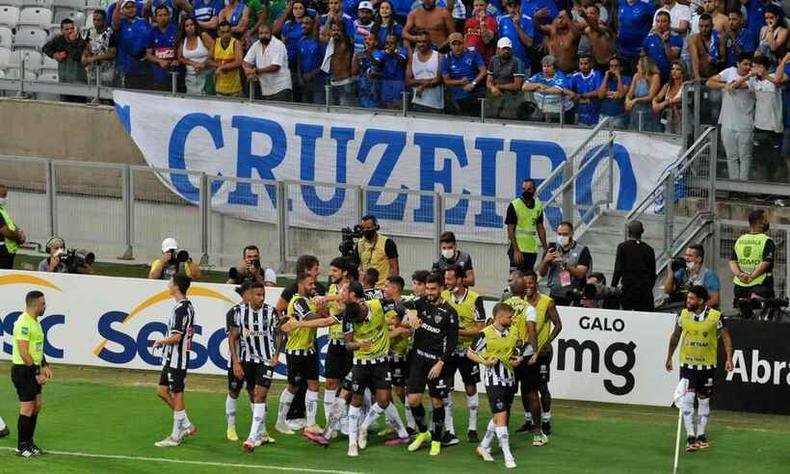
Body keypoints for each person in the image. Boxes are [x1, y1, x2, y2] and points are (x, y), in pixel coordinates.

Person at [665, 286, 733, 452]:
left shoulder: (716, 316)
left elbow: (726, 337)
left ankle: (701, 435)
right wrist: (669, 356)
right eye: (688, 298)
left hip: (707, 366)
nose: (688, 301)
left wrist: (729, 358)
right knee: (688, 400)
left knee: (704, 400)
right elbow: (676, 336)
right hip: (687, 365)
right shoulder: (683, 315)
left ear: (701, 301)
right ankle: (690, 436)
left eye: (691, 298)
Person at [402, 273, 459, 457]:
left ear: (441, 289)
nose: (429, 292)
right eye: (427, 288)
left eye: (433, 289)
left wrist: (441, 363)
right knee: (413, 400)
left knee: (437, 402)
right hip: (418, 360)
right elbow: (398, 304)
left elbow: (452, 343)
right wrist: (409, 312)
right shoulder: (420, 303)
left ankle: (436, 440)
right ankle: (423, 432)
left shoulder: (450, 312)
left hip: (437, 364)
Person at [228, 282, 281, 452]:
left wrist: (276, 355)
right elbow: (232, 337)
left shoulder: (271, 312)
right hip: (247, 359)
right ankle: (262, 433)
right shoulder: (239, 312)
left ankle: (252, 438)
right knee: (252, 393)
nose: (261, 298)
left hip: (266, 360)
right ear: (250, 295)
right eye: (258, 295)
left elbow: (279, 334)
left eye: (263, 294)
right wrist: (236, 362)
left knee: (260, 394)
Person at [468, 302, 521, 469]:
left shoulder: (513, 331)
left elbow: (516, 349)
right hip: (493, 380)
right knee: (502, 415)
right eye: (509, 317)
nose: (512, 319)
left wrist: (518, 358)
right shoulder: (485, 334)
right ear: (500, 316)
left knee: (500, 415)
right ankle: (507, 454)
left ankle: (483, 446)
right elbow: (470, 353)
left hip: (510, 378)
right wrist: (485, 362)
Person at [440, 265, 486, 445]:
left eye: (449, 279)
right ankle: (449, 430)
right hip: (448, 351)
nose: (446, 282)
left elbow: (481, 328)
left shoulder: (475, 299)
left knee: (470, 387)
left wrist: (456, 331)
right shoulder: (443, 296)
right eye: (446, 279)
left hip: (468, 351)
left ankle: (472, 428)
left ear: (459, 280)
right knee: (446, 388)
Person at [276, 272, 325, 435]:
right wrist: (323, 314)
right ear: (301, 284)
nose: (313, 287)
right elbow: (310, 318)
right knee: (293, 386)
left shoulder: (308, 301)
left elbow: (319, 316)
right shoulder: (297, 301)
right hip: (296, 351)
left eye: (314, 284)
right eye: (310, 284)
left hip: (309, 350)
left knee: (314, 385)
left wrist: (322, 310)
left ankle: (311, 423)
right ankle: (280, 421)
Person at [152, 274, 198, 447]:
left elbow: (177, 337)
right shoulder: (183, 306)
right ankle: (186, 424)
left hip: (178, 359)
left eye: (170, 282)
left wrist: (160, 341)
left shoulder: (182, 309)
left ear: (176, 286)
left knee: (177, 394)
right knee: (162, 391)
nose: (168, 284)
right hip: (171, 358)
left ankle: (175, 436)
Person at [516, 271, 561, 440]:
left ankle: (546, 420)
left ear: (536, 284)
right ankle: (529, 420)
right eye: (525, 283)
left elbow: (558, 325)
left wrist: (547, 342)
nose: (527, 286)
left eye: (530, 283)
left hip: (542, 353)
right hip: (526, 353)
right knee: (525, 387)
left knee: (542, 387)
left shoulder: (547, 302)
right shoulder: (520, 303)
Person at [11, 291, 53, 458]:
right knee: (27, 408)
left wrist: (44, 364)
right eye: (43, 304)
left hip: (32, 368)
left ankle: (29, 443)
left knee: (37, 406)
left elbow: (36, 348)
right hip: (23, 371)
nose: (45, 306)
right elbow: (23, 352)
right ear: (35, 305)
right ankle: (21, 446)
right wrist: (36, 372)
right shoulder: (23, 323)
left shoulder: (36, 322)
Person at [705, 53, 755, 181]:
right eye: (745, 64)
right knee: (731, 157)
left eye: (750, 65)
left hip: (745, 124)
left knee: (745, 157)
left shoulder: (753, 79)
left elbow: (734, 86)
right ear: (738, 64)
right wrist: (723, 85)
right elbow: (709, 82)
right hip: (727, 123)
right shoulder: (729, 71)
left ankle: (743, 186)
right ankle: (734, 185)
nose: (747, 67)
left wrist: (748, 76)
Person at [538, 221, 591, 306]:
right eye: (559, 234)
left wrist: (564, 264)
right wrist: (545, 261)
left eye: (565, 234)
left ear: (572, 233)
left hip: (573, 294)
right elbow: (542, 273)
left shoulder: (582, 250)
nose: (562, 237)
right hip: (554, 292)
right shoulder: (552, 247)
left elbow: (581, 274)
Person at [224, 282, 252, 442]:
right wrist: (236, 362)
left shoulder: (263, 311)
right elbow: (232, 338)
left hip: (255, 361)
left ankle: (260, 430)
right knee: (234, 391)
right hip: (239, 359)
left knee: (256, 393)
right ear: (245, 293)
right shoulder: (234, 312)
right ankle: (231, 427)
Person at [728, 209, 775, 302]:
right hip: (760, 286)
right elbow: (766, 262)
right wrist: (751, 277)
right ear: (761, 223)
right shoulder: (766, 240)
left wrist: (740, 274)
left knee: (743, 310)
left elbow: (732, 261)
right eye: (766, 220)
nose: (767, 222)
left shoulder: (740, 239)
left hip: (740, 287)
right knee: (765, 309)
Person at [748, 54, 783, 176]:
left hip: (774, 126)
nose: (754, 69)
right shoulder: (754, 81)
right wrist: (749, 75)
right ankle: (761, 182)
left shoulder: (773, 77)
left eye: (757, 66)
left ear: (763, 67)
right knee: (760, 158)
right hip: (759, 125)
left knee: (775, 159)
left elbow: (778, 81)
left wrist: (765, 75)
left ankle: (775, 183)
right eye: (753, 66)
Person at [505, 178, 547, 274]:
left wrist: (545, 247)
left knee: (528, 278)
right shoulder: (515, 205)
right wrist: (516, 250)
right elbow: (510, 230)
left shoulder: (538, 206)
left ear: (534, 190)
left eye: (529, 189)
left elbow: (540, 228)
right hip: (517, 249)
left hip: (531, 249)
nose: (526, 192)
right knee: (516, 278)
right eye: (524, 189)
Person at [612, 220, 656, 311]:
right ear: (642, 231)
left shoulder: (623, 247)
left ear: (628, 232)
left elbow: (618, 269)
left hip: (629, 290)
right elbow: (653, 273)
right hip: (645, 292)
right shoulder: (649, 249)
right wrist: (648, 288)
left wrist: (613, 286)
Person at [243, 23, 293, 100]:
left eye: (266, 33)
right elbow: (246, 62)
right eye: (261, 33)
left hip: (281, 88)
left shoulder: (278, 44)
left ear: (271, 33)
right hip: (265, 89)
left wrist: (256, 71)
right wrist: (248, 71)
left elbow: (275, 67)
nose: (264, 36)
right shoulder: (256, 45)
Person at [442, 32, 487, 116]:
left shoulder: (473, 53)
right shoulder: (446, 58)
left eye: (459, 44)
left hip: (474, 94)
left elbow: (483, 71)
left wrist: (473, 83)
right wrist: (460, 82)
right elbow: (446, 80)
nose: (457, 47)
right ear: (450, 45)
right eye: (454, 44)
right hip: (457, 96)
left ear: (464, 43)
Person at [663, 244, 721, 308]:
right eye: (686, 255)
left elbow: (715, 300)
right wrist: (670, 274)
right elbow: (667, 290)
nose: (686, 258)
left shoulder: (709, 276)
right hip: (679, 307)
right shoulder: (682, 272)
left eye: (690, 256)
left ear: (699, 259)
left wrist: (697, 310)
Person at [522, 54, 575, 124]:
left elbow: (558, 90)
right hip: (547, 111)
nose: (546, 69)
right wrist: (538, 84)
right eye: (544, 66)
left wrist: (541, 89)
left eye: (549, 66)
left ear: (554, 68)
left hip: (564, 112)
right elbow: (524, 87)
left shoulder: (560, 75)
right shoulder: (538, 76)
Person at [112, 0, 151, 89]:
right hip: (127, 69)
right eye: (127, 7)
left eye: (133, 6)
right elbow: (115, 22)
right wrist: (118, 6)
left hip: (145, 69)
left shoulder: (143, 22)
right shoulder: (121, 24)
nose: (131, 9)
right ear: (122, 10)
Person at [485, 36, 526, 119]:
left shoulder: (517, 62)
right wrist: (492, 88)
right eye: (504, 49)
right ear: (498, 49)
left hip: (513, 96)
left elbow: (517, 85)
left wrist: (498, 86)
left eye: (508, 49)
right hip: (496, 94)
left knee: (508, 118)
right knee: (490, 117)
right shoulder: (493, 60)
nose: (506, 51)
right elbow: (488, 81)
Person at [354, 215, 399, 287]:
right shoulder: (359, 244)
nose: (366, 230)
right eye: (363, 228)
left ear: (376, 227)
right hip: (365, 287)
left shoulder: (387, 243)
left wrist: (391, 286)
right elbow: (355, 266)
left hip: (382, 287)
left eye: (368, 228)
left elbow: (394, 268)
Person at [42, 18, 88, 88]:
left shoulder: (81, 41)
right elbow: (45, 48)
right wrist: (54, 55)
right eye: (67, 29)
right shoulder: (59, 40)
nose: (70, 31)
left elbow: (76, 56)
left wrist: (73, 42)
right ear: (61, 30)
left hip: (79, 81)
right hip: (63, 80)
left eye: (72, 28)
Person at [406, 32, 445, 113]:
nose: (421, 44)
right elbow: (408, 81)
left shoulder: (439, 56)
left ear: (430, 42)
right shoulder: (412, 58)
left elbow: (438, 80)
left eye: (424, 41)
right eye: (419, 42)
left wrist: (422, 86)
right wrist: (425, 81)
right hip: (417, 103)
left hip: (435, 105)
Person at [615, 0, 656, 72]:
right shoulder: (621, 2)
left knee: (638, 76)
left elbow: (657, 21)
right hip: (622, 50)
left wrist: (649, 38)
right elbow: (619, 19)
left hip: (639, 52)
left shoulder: (647, 5)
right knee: (624, 76)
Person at [496, 0, 534, 75]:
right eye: (510, 7)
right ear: (507, 7)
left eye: (515, 6)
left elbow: (529, 43)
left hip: (523, 64)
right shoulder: (502, 20)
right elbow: (499, 43)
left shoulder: (528, 20)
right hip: (505, 64)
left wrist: (517, 26)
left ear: (520, 6)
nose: (513, 10)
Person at [642, 11, 682, 83]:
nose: (660, 24)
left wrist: (665, 42)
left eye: (663, 21)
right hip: (652, 78)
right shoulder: (649, 38)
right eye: (658, 21)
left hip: (670, 78)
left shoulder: (676, 38)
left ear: (669, 23)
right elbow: (643, 56)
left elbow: (672, 57)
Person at [145, 5, 179, 91]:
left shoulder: (176, 30)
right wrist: (160, 61)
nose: (163, 18)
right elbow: (148, 54)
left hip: (175, 72)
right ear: (155, 17)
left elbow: (181, 49)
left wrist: (177, 60)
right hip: (158, 74)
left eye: (165, 15)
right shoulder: (151, 33)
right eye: (160, 15)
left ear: (169, 16)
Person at [178, 17, 214, 95]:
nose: (190, 27)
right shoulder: (183, 40)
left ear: (195, 25)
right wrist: (193, 63)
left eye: (192, 24)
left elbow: (214, 49)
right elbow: (180, 58)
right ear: (184, 28)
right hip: (190, 76)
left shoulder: (203, 36)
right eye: (187, 26)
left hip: (206, 74)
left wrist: (204, 63)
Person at [624, 54, 661, 131]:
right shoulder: (636, 76)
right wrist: (627, 100)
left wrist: (636, 100)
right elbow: (630, 93)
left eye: (638, 65)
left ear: (644, 66)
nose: (637, 66)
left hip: (648, 111)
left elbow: (650, 97)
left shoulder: (655, 77)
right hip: (635, 111)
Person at [371, 33, 408, 109]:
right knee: (388, 110)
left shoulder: (402, 51)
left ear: (397, 44)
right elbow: (377, 61)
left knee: (399, 110)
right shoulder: (380, 53)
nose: (389, 45)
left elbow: (402, 60)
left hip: (399, 86)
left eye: (392, 43)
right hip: (386, 86)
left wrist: (393, 53)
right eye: (387, 43)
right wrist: (375, 59)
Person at [82, 10, 117, 87]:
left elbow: (112, 53)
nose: (95, 22)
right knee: (92, 90)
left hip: (106, 69)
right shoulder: (90, 31)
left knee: (105, 91)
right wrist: (84, 57)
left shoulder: (110, 33)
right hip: (93, 69)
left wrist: (94, 58)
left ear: (104, 21)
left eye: (98, 20)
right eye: (94, 20)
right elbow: (86, 47)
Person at [209, 21, 244, 96]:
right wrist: (220, 66)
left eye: (227, 32)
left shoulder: (236, 43)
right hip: (219, 89)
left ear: (231, 32)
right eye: (222, 32)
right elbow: (208, 60)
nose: (225, 35)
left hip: (235, 90)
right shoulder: (215, 42)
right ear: (218, 33)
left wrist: (222, 67)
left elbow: (238, 62)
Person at [298, 15, 326, 103]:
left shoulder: (319, 42)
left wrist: (312, 74)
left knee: (318, 108)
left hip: (319, 83)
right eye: (302, 23)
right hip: (305, 83)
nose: (303, 26)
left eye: (307, 23)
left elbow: (326, 62)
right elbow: (299, 62)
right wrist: (300, 78)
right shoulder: (301, 41)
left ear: (313, 25)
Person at [577, 3, 614, 70]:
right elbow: (575, 28)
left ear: (598, 15)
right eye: (587, 13)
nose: (589, 15)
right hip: (596, 63)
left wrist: (585, 16)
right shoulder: (587, 30)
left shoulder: (603, 27)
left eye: (592, 13)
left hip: (609, 63)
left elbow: (596, 28)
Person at [569, 53, 603, 126]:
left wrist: (581, 95)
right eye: (581, 64)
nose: (583, 66)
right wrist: (572, 94)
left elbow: (599, 92)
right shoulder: (575, 76)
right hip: (580, 115)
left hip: (595, 115)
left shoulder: (596, 74)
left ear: (591, 64)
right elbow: (564, 88)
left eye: (586, 63)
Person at [597, 55, 631, 128]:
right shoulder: (605, 79)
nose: (613, 68)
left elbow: (621, 94)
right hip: (603, 116)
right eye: (611, 66)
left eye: (616, 66)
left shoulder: (626, 79)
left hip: (618, 117)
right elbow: (600, 95)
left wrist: (618, 76)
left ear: (621, 68)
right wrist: (606, 77)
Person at [688, 13, 724, 81]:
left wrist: (714, 61)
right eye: (701, 26)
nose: (704, 29)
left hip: (714, 77)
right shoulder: (694, 39)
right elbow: (694, 59)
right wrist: (697, 77)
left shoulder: (719, 38)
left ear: (712, 26)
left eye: (707, 26)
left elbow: (723, 60)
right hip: (699, 76)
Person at [0, 184, 26, 269]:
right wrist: (19, 236)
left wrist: (20, 231)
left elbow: (11, 225)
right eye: (3, 195)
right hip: (2, 252)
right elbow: (6, 231)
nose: (5, 198)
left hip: (7, 251)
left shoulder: (2, 210)